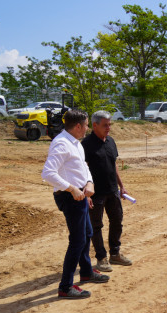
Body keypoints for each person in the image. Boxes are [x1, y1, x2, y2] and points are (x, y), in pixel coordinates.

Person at [42, 109, 110, 299]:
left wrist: (89, 183)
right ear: (78, 126)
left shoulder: (76, 144)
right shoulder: (62, 144)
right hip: (70, 198)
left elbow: (84, 167)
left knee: (87, 233)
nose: (88, 128)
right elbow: (48, 173)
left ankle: (87, 272)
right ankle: (65, 286)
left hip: (81, 196)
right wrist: (72, 188)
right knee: (78, 241)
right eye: (87, 125)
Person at [81, 110, 132, 272]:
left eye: (110, 125)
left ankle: (115, 254)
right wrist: (85, 193)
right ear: (94, 125)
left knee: (117, 222)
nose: (108, 128)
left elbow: (114, 164)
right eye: (105, 125)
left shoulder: (110, 141)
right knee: (96, 226)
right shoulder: (86, 145)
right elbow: (82, 169)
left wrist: (121, 186)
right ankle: (101, 258)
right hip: (96, 194)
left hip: (113, 190)